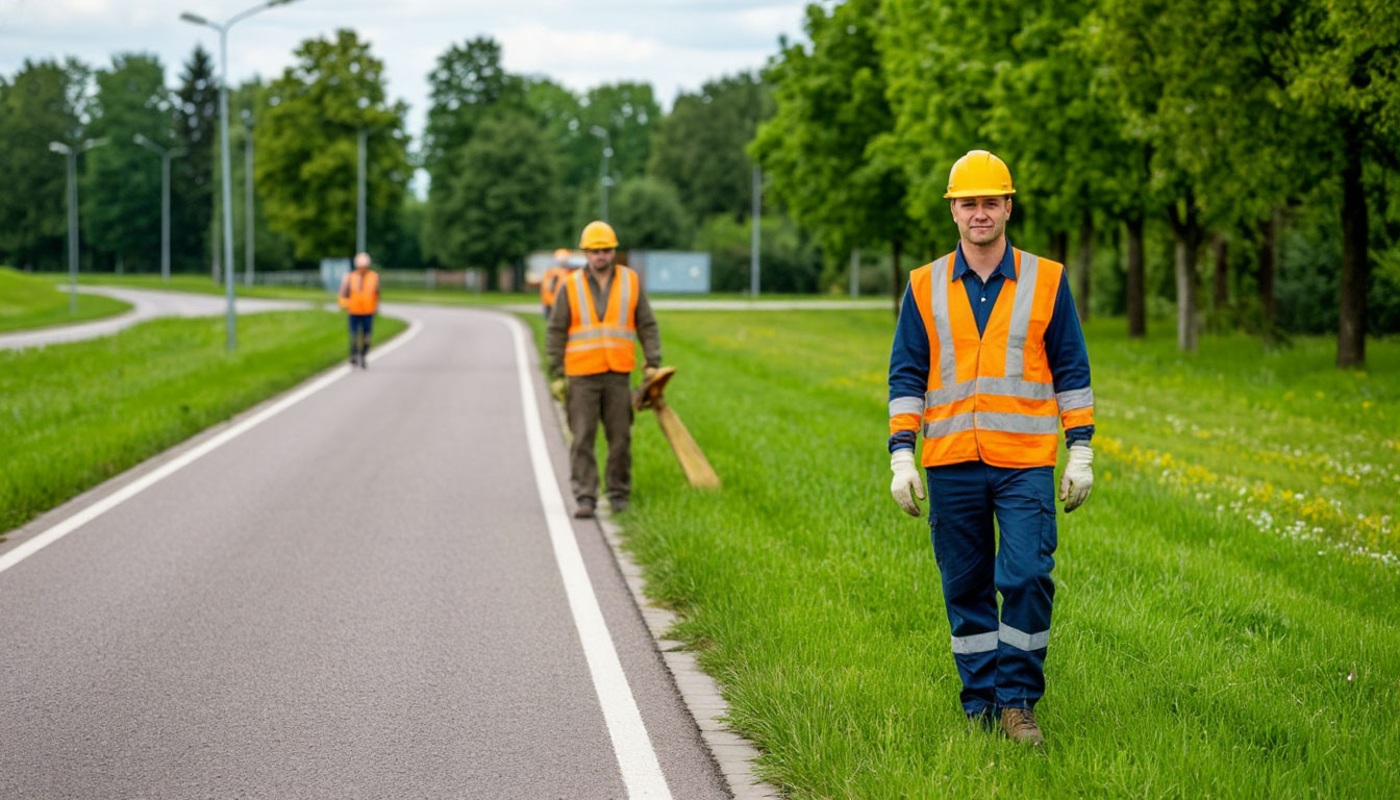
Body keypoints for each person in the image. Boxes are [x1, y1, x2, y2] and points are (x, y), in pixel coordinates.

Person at [886, 150, 1095, 747]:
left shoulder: (1047, 279)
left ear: (1008, 206)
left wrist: (1080, 448)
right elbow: (907, 374)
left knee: (1027, 576)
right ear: (953, 210)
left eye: (990, 202)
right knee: (965, 586)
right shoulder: (923, 285)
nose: (980, 213)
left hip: (1025, 460)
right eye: (968, 203)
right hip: (951, 460)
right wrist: (902, 454)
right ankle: (979, 703)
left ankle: (1017, 702)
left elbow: (1072, 368)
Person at [545, 221, 662, 519]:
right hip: (581, 375)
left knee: (620, 437)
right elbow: (556, 329)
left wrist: (653, 361)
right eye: (595, 251)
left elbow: (646, 324)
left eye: (606, 250)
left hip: (617, 375)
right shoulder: (570, 285)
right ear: (586, 253)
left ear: (614, 252)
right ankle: (585, 497)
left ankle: (619, 495)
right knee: (582, 437)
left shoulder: (630, 281)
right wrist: (557, 372)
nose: (601, 256)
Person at [338, 252, 380, 369]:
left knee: (367, 336)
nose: (363, 269)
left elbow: (376, 293)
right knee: (354, 335)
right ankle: (354, 354)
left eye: (364, 267)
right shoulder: (350, 277)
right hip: (354, 311)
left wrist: (376, 306)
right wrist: (345, 305)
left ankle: (363, 355)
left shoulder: (374, 277)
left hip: (368, 311)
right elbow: (343, 293)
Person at [540, 248, 574, 319]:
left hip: (555, 303)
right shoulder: (554, 272)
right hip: (554, 304)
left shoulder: (552, 271)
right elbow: (548, 288)